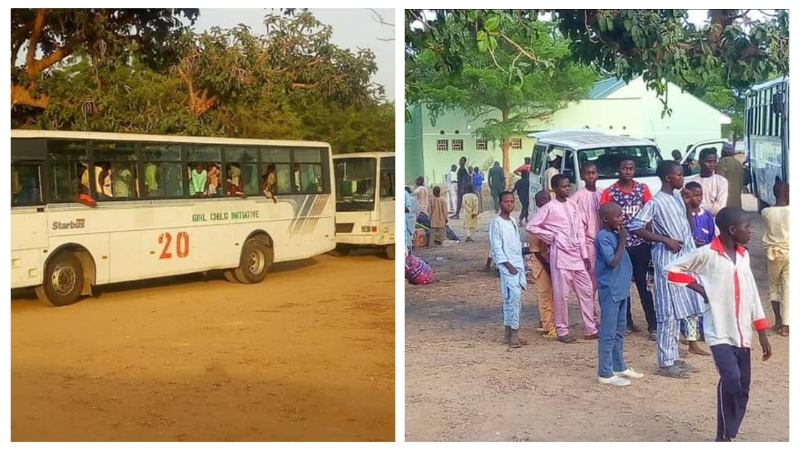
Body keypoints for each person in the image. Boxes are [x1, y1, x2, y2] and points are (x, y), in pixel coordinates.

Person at [664, 207, 772, 442]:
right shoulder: (706, 254)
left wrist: (762, 331)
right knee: (731, 380)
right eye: (746, 227)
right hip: (719, 332)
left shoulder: (743, 255)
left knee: (743, 388)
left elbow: (752, 293)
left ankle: (728, 432)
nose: (750, 231)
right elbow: (671, 269)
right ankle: (722, 438)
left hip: (743, 333)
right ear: (733, 230)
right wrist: (699, 288)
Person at [628, 160, 701, 379]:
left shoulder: (678, 198)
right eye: (679, 175)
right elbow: (634, 225)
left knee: (680, 308)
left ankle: (674, 355)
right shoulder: (656, 202)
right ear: (669, 177)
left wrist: (688, 206)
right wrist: (663, 239)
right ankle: (665, 362)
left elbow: (687, 228)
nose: (682, 178)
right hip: (667, 260)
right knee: (667, 310)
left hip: (683, 258)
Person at [526, 174, 597, 343]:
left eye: (568, 186)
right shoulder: (549, 207)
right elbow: (531, 226)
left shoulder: (573, 205)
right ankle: (562, 330)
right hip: (560, 255)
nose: (567, 188)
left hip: (577, 255)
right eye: (564, 186)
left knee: (586, 290)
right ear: (555, 189)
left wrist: (584, 254)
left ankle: (590, 328)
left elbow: (580, 229)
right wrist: (552, 236)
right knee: (561, 294)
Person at [599, 157, 656, 338]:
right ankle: (627, 322)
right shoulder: (610, 192)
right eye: (625, 168)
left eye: (631, 168)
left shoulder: (643, 189)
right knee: (623, 285)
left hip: (640, 244)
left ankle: (652, 325)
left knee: (643, 285)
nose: (628, 171)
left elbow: (649, 215)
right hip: (620, 246)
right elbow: (603, 216)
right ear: (619, 170)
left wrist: (650, 239)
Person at [595, 202, 644, 386]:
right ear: (606, 219)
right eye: (617, 216)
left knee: (619, 329)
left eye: (621, 215)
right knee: (608, 331)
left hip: (621, 289)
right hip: (610, 290)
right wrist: (623, 240)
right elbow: (612, 262)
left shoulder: (615, 234)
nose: (621, 219)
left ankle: (618, 365)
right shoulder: (603, 237)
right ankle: (605, 372)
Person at [489, 191, 528, 348]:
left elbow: (516, 244)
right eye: (506, 202)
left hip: (517, 265)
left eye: (512, 201)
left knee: (510, 299)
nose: (509, 204)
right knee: (514, 298)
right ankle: (514, 335)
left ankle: (508, 333)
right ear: (500, 203)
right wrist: (507, 265)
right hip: (507, 266)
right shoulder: (496, 223)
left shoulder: (512, 221)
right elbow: (497, 247)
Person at [679, 181, 713, 356]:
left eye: (700, 195)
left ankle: (704, 331)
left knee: (705, 299)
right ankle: (689, 335)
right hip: (687, 265)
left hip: (704, 265)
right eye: (693, 195)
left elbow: (713, 239)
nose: (697, 198)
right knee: (690, 301)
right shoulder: (681, 215)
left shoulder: (706, 215)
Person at [761, 181, 789, 337]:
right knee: (789, 287)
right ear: (786, 194)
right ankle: (786, 325)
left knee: (773, 286)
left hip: (772, 254)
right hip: (789, 252)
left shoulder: (766, 212)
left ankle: (778, 320)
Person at [572, 162, 602, 293]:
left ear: (597, 175)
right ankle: (590, 307)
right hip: (587, 241)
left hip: (603, 240)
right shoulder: (577, 197)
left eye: (593, 173)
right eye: (587, 173)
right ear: (582, 176)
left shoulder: (603, 193)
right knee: (590, 273)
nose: (591, 176)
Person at [529, 190, 555, 338]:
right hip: (542, 263)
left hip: (554, 263)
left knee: (556, 294)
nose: (545, 201)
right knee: (545, 294)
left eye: (547, 198)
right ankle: (548, 326)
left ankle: (549, 321)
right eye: (542, 199)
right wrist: (547, 266)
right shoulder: (536, 221)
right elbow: (536, 250)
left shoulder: (554, 218)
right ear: (538, 203)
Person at [690, 148, 728, 216]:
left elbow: (719, 208)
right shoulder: (692, 181)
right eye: (709, 161)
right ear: (700, 162)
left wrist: (696, 206)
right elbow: (687, 205)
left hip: (714, 222)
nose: (712, 165)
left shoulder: (721, 181)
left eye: (714, 161)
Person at [715, 142, 744, 209]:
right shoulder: (738, 162)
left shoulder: (723, 162)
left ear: (723, 152)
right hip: (737, 199)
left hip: (725, 200)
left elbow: (719, 180)